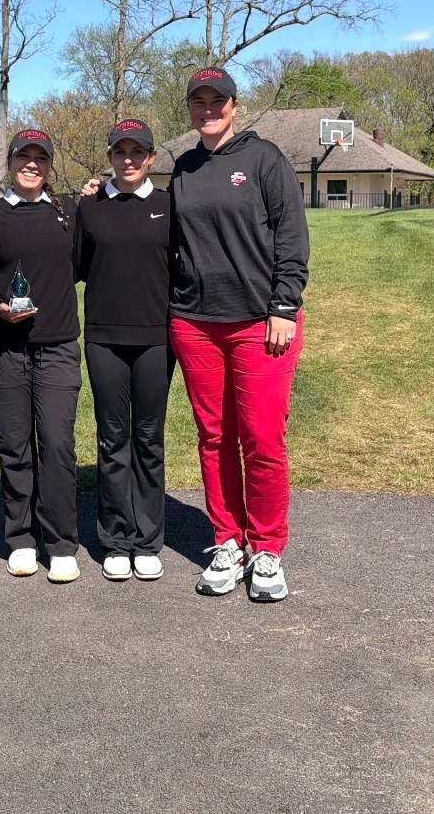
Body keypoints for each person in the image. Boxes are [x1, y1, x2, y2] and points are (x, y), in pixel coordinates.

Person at [171, 67, 309, 602]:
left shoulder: (265, 159)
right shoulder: (183, 167)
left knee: (263, 437)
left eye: (217, 100)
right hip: (195, 322)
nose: (208, 109)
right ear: (189, 107)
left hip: (260, 322)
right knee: (214, 436)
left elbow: (292, 237)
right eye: (198, 101)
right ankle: (227, 539)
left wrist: (284, 304)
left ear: (234, 105)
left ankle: (267, 547)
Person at [0, 129, 83, 584]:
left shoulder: (70, 213)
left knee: (58, 445)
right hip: (6, 346)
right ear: (11, 162)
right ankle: (21, 537)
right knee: (15, 445)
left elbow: (82, 265)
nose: (31, 165)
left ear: (49, 165)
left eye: (41, 157)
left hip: (58, 344)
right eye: (24, 157)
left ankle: (61, 542)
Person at [75, 118, 173, 584]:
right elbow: (71, 265)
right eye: (120, 152)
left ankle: (147, 539)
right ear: (110, 156)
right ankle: (116, 538)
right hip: (104, 339)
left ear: (151, 158)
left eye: (138, 152)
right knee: (112, 439)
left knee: (149, 439)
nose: (129, 160)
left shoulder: (171, 206)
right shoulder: (91, 206)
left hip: (156, 339)